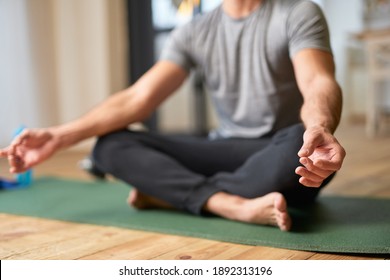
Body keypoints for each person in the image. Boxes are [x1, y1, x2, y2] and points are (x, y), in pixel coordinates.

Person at [0, 0, 345, 231]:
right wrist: (59, 136)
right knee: (110, 146)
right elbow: (139, 98)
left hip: (280, 155)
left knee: (300, 144)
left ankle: (169, 192)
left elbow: (317, 80)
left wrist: (319, 126)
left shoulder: (298, 12)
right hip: (225, 150)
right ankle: (230, 204)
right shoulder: (194, 31)